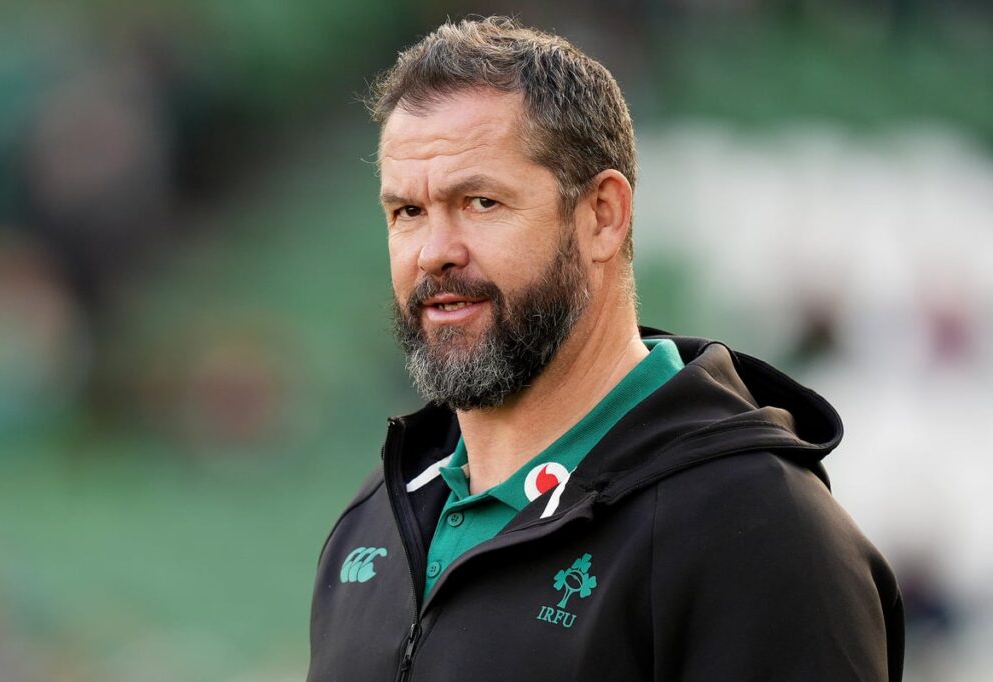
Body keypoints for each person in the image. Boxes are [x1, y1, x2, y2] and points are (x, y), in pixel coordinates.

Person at [307, 16, 904, 682]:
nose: (433, 252)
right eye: (406, 213)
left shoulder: (759, 531)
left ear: (602, 217)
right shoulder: (378, 519)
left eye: (478, 202)